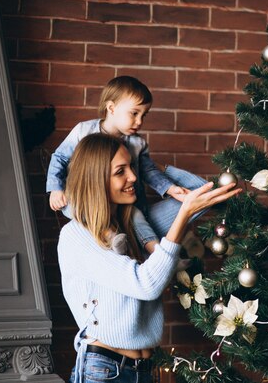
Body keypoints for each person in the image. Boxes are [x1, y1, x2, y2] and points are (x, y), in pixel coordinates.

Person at [58, 133, 241, 383]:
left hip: (144, 369)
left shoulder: (134, 223)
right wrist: (182, 218)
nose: (133, 177)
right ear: (95, 179)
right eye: (120, 171)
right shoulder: (77, 235)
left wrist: (153, 168)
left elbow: (201, 193)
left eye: (131, 167)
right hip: (104, 371)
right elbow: (146, 285)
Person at [46, 75, 207, 253]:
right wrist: (56, 188)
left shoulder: (137, 144)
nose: (139, 122)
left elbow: (149, 171)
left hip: (126, 205)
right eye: (134, 113)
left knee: (137, 217)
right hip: (86, 199)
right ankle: (109, 234)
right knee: (73, 206)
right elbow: (60, 157)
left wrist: (169, 187)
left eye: (143, 115)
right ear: (111, 108)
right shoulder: (83, 131)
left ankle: (156, 252)